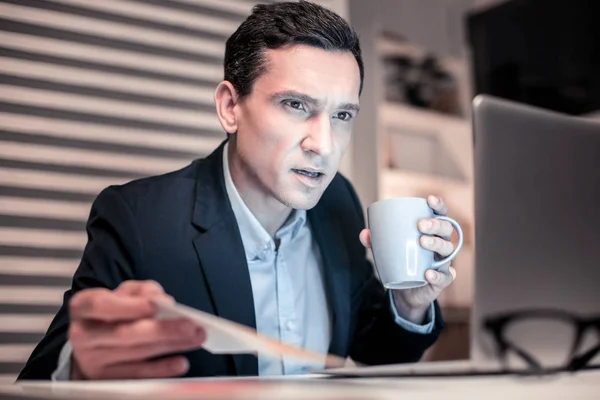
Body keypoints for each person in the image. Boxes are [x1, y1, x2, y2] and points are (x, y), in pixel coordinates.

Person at [18, 1, 458, 380]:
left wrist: (409, 303)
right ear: (230, 107)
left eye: (342, 115)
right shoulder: (138, 218)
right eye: (296, 105)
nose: (324, 145)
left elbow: (375, 347)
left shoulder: (337, 202)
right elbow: (41, 379)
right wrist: (79, 370)